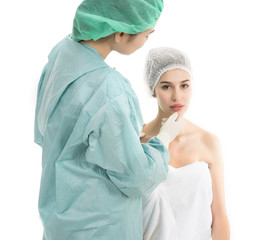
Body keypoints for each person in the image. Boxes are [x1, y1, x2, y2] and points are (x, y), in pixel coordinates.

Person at [34, 1, 181, 239]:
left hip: (59, 221)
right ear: (120, 33)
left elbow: (47, 133)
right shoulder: (107, 89)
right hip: (100, 228)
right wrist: (162, 140)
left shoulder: (60, 56)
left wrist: (118, 140)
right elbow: (137, 177)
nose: (146, 41)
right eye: (146, 35)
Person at [140, 47, 230, 240]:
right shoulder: (138, 140)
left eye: (184, 85)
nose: (177, 96)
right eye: (166, 86)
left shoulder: (208, 142)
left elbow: (219, 215)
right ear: (152, 89)